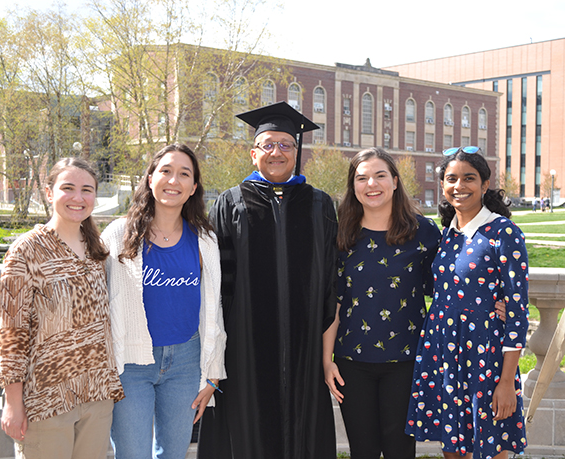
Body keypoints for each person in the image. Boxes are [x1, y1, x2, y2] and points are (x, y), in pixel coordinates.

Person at [197, 101, 338, 459]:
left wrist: (324, 352)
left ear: (297, 151)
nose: (277, 152)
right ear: (253, 153)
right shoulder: (230, 203)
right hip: (246, 348)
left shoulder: (319, 204)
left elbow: (329, 282)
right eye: (268, 145)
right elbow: (214, 284)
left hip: (304, 346)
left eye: (285, 145)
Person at [102, 143, 226, 459]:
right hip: (131, 365)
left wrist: (212, 372)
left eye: (184, 174)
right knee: (133, 454)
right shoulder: (118, 234)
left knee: (173, 454)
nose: (174, 181)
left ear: (194, 187)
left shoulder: (205, 239)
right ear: (150, 178)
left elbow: (215, 309)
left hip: (186, 362)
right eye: (166, 171)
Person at [0, 157, 124, 459]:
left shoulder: (98, 251)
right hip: (46, 399)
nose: (78, 198)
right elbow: (10, 333)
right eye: (68, 188)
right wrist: (13, 402)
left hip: (97, 396)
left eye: (87, 190)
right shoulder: (26, 250)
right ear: (49, 192)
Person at [405, 146, 529, 459]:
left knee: (492, 446)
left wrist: (505, 382)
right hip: (446, 356)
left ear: (485, 185)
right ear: (443, 185)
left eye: (469, 178)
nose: (459, 186)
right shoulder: (447, 235)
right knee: (453, 450)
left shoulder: (504, 233)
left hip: (487, 360)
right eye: (451, 179)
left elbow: (517, 313)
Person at [323, 148, 441, 459]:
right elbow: (333, 303)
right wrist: (327, 359)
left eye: (379, 175)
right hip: (352, 362)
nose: (371, 184)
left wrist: (494, 302)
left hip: (406, 361)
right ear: (353, 187)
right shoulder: (340, 233)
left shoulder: (423, 231)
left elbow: (447, 287)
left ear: (395, 182)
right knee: (362, 451)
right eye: (361, 178)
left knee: (400, 451)